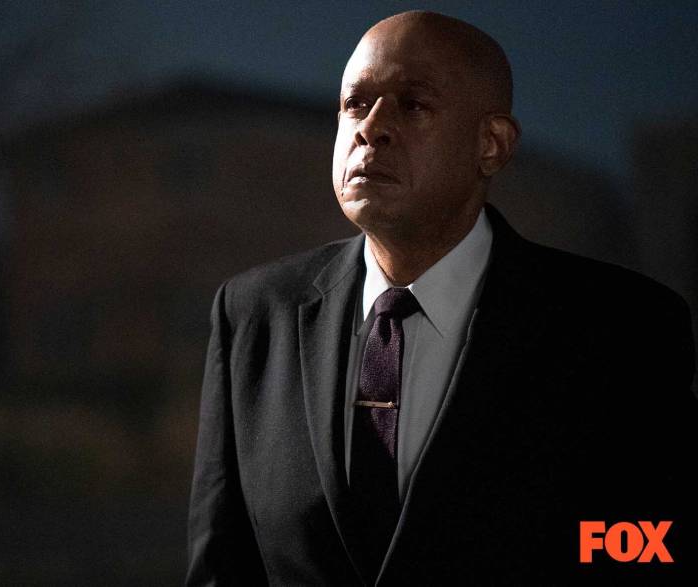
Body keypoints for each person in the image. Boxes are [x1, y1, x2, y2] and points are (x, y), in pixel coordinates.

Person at [186, 11, 697, 585]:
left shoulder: (624, 327)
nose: (370, 129)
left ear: (492, 144)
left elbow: (650, 548)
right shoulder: (254, 314)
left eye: (412, 104)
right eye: (356, 104)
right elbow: (222, 568)